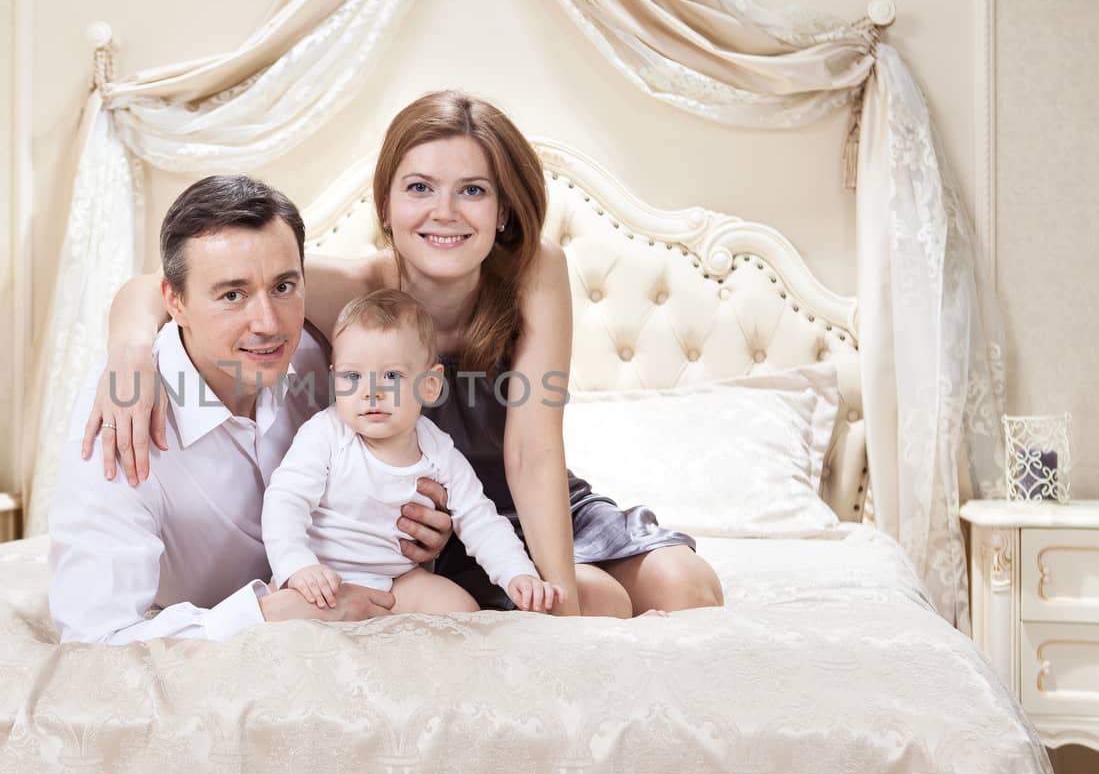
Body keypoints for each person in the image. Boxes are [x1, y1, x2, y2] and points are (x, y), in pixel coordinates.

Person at [88, 90, 724, 618]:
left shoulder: (537, 271)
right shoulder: (351, 290)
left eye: (472, 191)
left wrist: (555, 604)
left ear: (504, 209)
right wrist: (130, 350)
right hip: (423, 527)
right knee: (602, 600)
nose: (444, 212)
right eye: (420, 187)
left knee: (686, 587)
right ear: (386, 205)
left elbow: (533, 451)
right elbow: (160, 285)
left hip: (535, 500)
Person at [47, 173, 454, 644]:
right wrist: (270, 614)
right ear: (174, 302)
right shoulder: (122, 414)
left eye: (284, 287)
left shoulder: (331, 360)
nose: (268, 324)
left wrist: (411, 530)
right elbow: (94, 636)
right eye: (232, 295)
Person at [265, 288, 566, 615]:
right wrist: (296, 565)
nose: (371, 393)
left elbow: (480, 519)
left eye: (391, 375)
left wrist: (517, 574)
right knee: (289, 618)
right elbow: (286, 500)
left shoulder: (437, 449)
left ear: (430, 386)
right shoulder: (326, 433)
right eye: (353, 376)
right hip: (323, 576)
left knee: (462, 610)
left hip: (396, 580)